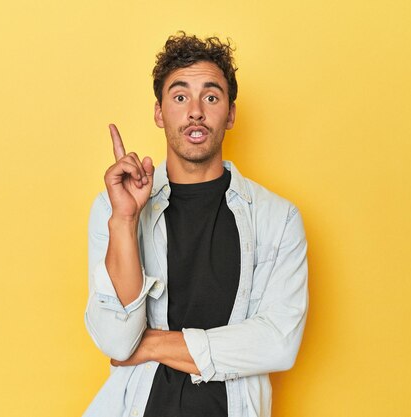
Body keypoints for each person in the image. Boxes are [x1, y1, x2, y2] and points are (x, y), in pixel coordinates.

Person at [83, 33, 308, 417]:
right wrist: (125, 220)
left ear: (231, 114)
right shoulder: (114, 206)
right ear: (159, 112)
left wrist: (150, 344)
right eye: (180, 96)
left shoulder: (278, 219)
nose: (196, 112)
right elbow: (117, 340)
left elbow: (278, 344)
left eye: (211, 96)